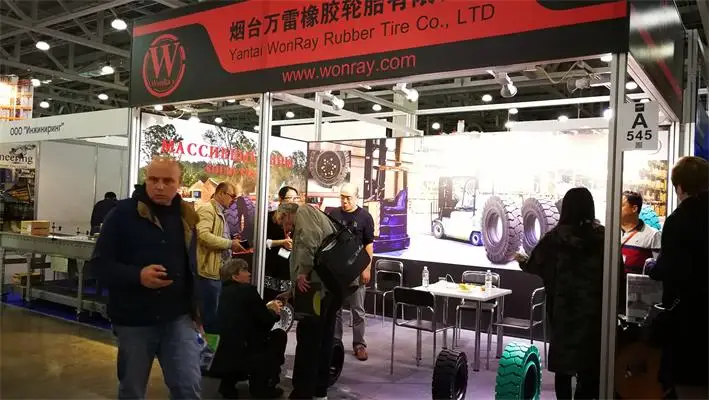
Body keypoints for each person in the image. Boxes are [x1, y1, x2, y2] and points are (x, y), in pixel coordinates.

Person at [91, 157, 202, 399]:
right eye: (153, 179)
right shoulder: (122, 214)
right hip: (134, 320)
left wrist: (195, 310)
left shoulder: (186, 216)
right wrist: (137, 275)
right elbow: (99, 265)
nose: (159, 186)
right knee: (132, 390)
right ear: (145, 180)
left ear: (179, 183)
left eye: (167, 181)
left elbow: (189, 266)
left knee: (188, 386)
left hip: (178, 317)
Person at [515, 187, 604, 400]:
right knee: (590, 370)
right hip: (595, 316)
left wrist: (521, 261)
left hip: (564, 316)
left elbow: (534, 264)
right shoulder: (604, 238)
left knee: (563, 371)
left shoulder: (555, 239)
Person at [647, 156, 709, 399]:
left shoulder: (680, 219)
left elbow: (670, 268)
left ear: (680, 188)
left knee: (689, 385)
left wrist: (653, 267)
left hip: (690, 321)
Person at [274, 202, 338, 399]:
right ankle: (319, 390)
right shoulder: (316, 214)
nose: (286, 228)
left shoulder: (303, 212)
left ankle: (302, 392)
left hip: (315, 290)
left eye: (283, 222)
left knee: (308, 339)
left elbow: (310, 241)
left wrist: (303, 272)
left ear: (287, 214)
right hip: (328, 288)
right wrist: (291, 291)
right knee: (323, 338)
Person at [211, 259, 287, 399]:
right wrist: (274, 311)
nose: (249, 273)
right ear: (235, 276)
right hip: (245, 352)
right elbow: (266, 321)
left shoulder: (219, 291)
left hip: (221, 353)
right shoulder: (247, 290)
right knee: (278, 336)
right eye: (245, 270)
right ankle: (264, 387)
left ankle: (228, 384)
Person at [328, 183, 374, 361]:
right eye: (342, 197)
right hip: (337, 270)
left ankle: (359, 344)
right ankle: (335, 343)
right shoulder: (334, 214)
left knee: (358, 310)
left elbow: (369, 245)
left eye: (348, 197)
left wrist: (367, 268)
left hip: (357, 269)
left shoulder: (365, 217)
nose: (345, 201)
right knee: (336, 309)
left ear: (356, 197)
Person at [196, 182, 245, 333]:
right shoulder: (207, 209)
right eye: (232, 196)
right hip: (208, 273)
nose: (233, 200)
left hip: (216, 272)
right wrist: (229, 243)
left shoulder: (219, 212)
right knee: (210, 319)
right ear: (221, 193)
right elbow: (202, 235)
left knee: (215, 317)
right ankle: (208, 347)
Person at [264, 186, 298, 302]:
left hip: (290, 267)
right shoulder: (269, 218)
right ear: (281, 199)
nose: (293, 201)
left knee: (288, 303)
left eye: (295, 198)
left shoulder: (299, 219)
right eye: (290, 198)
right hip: (272, 265)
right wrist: (281, 242)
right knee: (271, 299)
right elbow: (261, 242)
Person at [620, 191, 661, 274]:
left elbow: (658, 269)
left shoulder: (653, 235)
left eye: (621, 205)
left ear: (634, 208)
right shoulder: (611, 233)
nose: (616, 208)